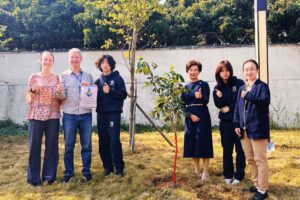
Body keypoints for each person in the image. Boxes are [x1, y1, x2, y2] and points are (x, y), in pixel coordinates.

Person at [234, 59, 270, 200]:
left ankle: (263, 190)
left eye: (252, 69)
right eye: (246, 69)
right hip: (244, 130)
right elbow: (238, 108)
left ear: (257, 70)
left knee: (260, 160)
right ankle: (256, 184)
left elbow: (265, 102)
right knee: (250, 159)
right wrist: (236, 124)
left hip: (258, 129)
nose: (249, 72)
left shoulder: (262, 87)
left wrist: (249, 95)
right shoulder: (242, 88)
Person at [56, 48, 94, 182]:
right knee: (68, 146)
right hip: (69, 115)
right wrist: (59, 92)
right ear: (69, 59)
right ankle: (68, 174)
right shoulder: (63, 76)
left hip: (85, 115)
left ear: (81, 59)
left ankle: (86, 172)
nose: (74, 59)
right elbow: (61, 96)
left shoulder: (88, 76)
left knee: (87, 145)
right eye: (72, 57)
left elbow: (93, 93)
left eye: (77, 57)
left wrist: (88, 87)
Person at [26, 51, 60, 186]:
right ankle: (34, 179)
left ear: (53, 62)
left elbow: (60, 97)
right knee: (34, 147)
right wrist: (34, 90)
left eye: (50, 60)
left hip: (53, 115)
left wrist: (59, 92)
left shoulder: (57, 78)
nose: (47, 62)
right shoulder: (33, 77)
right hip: (35, 116)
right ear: (41, 61)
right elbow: (28, 99)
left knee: (51, 146)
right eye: (45, 60)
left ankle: (49, 177)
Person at [213, 60, 246, 185]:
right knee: (227, 149)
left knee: (240, 149)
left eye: (227, 70)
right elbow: (219, 105)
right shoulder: (217, 87)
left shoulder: (239, 83)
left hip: (238, 121)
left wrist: (230, 108)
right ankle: (228, 174)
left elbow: (240, 101)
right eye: (222, 71)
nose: (225, 73)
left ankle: (239, 175)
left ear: (230, 71)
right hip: (225, 122)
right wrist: (220, 97)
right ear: (219, 73)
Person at [94, 55, 127, 177]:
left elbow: (123, 94)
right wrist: (88, 89)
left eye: (108, 63)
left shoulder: (118, 79)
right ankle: (107, 167)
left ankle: (119, 169)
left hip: (114, 114)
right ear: (100, 65)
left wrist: (111, 91)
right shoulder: (98, 82)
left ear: (111, 65)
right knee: (103, 141)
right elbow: (90, 97)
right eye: (103, 63)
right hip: (101, 114)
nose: (105, 65)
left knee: (114, 140)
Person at [180, 60, 213, 181]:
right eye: (190, 70)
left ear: (199, 71)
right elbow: (181, 106)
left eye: (195, 70)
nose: (193, 72)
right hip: (190, 116)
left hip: (202, 115)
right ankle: (196, 170)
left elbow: (206, 101)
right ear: (187, 71)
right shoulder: (185, 87)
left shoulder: (203, 84)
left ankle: (206, 171)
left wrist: (200, 97)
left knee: (203, 141)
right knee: (192, 142)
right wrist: (189, 115)